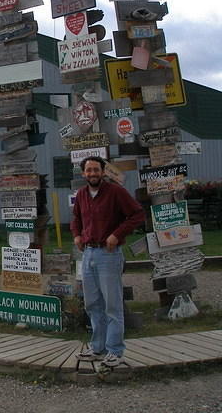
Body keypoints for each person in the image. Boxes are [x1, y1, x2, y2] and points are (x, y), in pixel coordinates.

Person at [71, 156, 144, 368]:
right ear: (83, 173)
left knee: (112, 305)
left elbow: (137, 215)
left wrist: (116, 234)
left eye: (96, 170)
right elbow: (76, 218)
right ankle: (98, 347)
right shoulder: (82, 194)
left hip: (108, 254)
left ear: (103, 172)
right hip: (89, 254)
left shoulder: (116, 192)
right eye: (88, 170)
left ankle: (115, 350)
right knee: (93, 304)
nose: (92, 174)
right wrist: (77, 235)